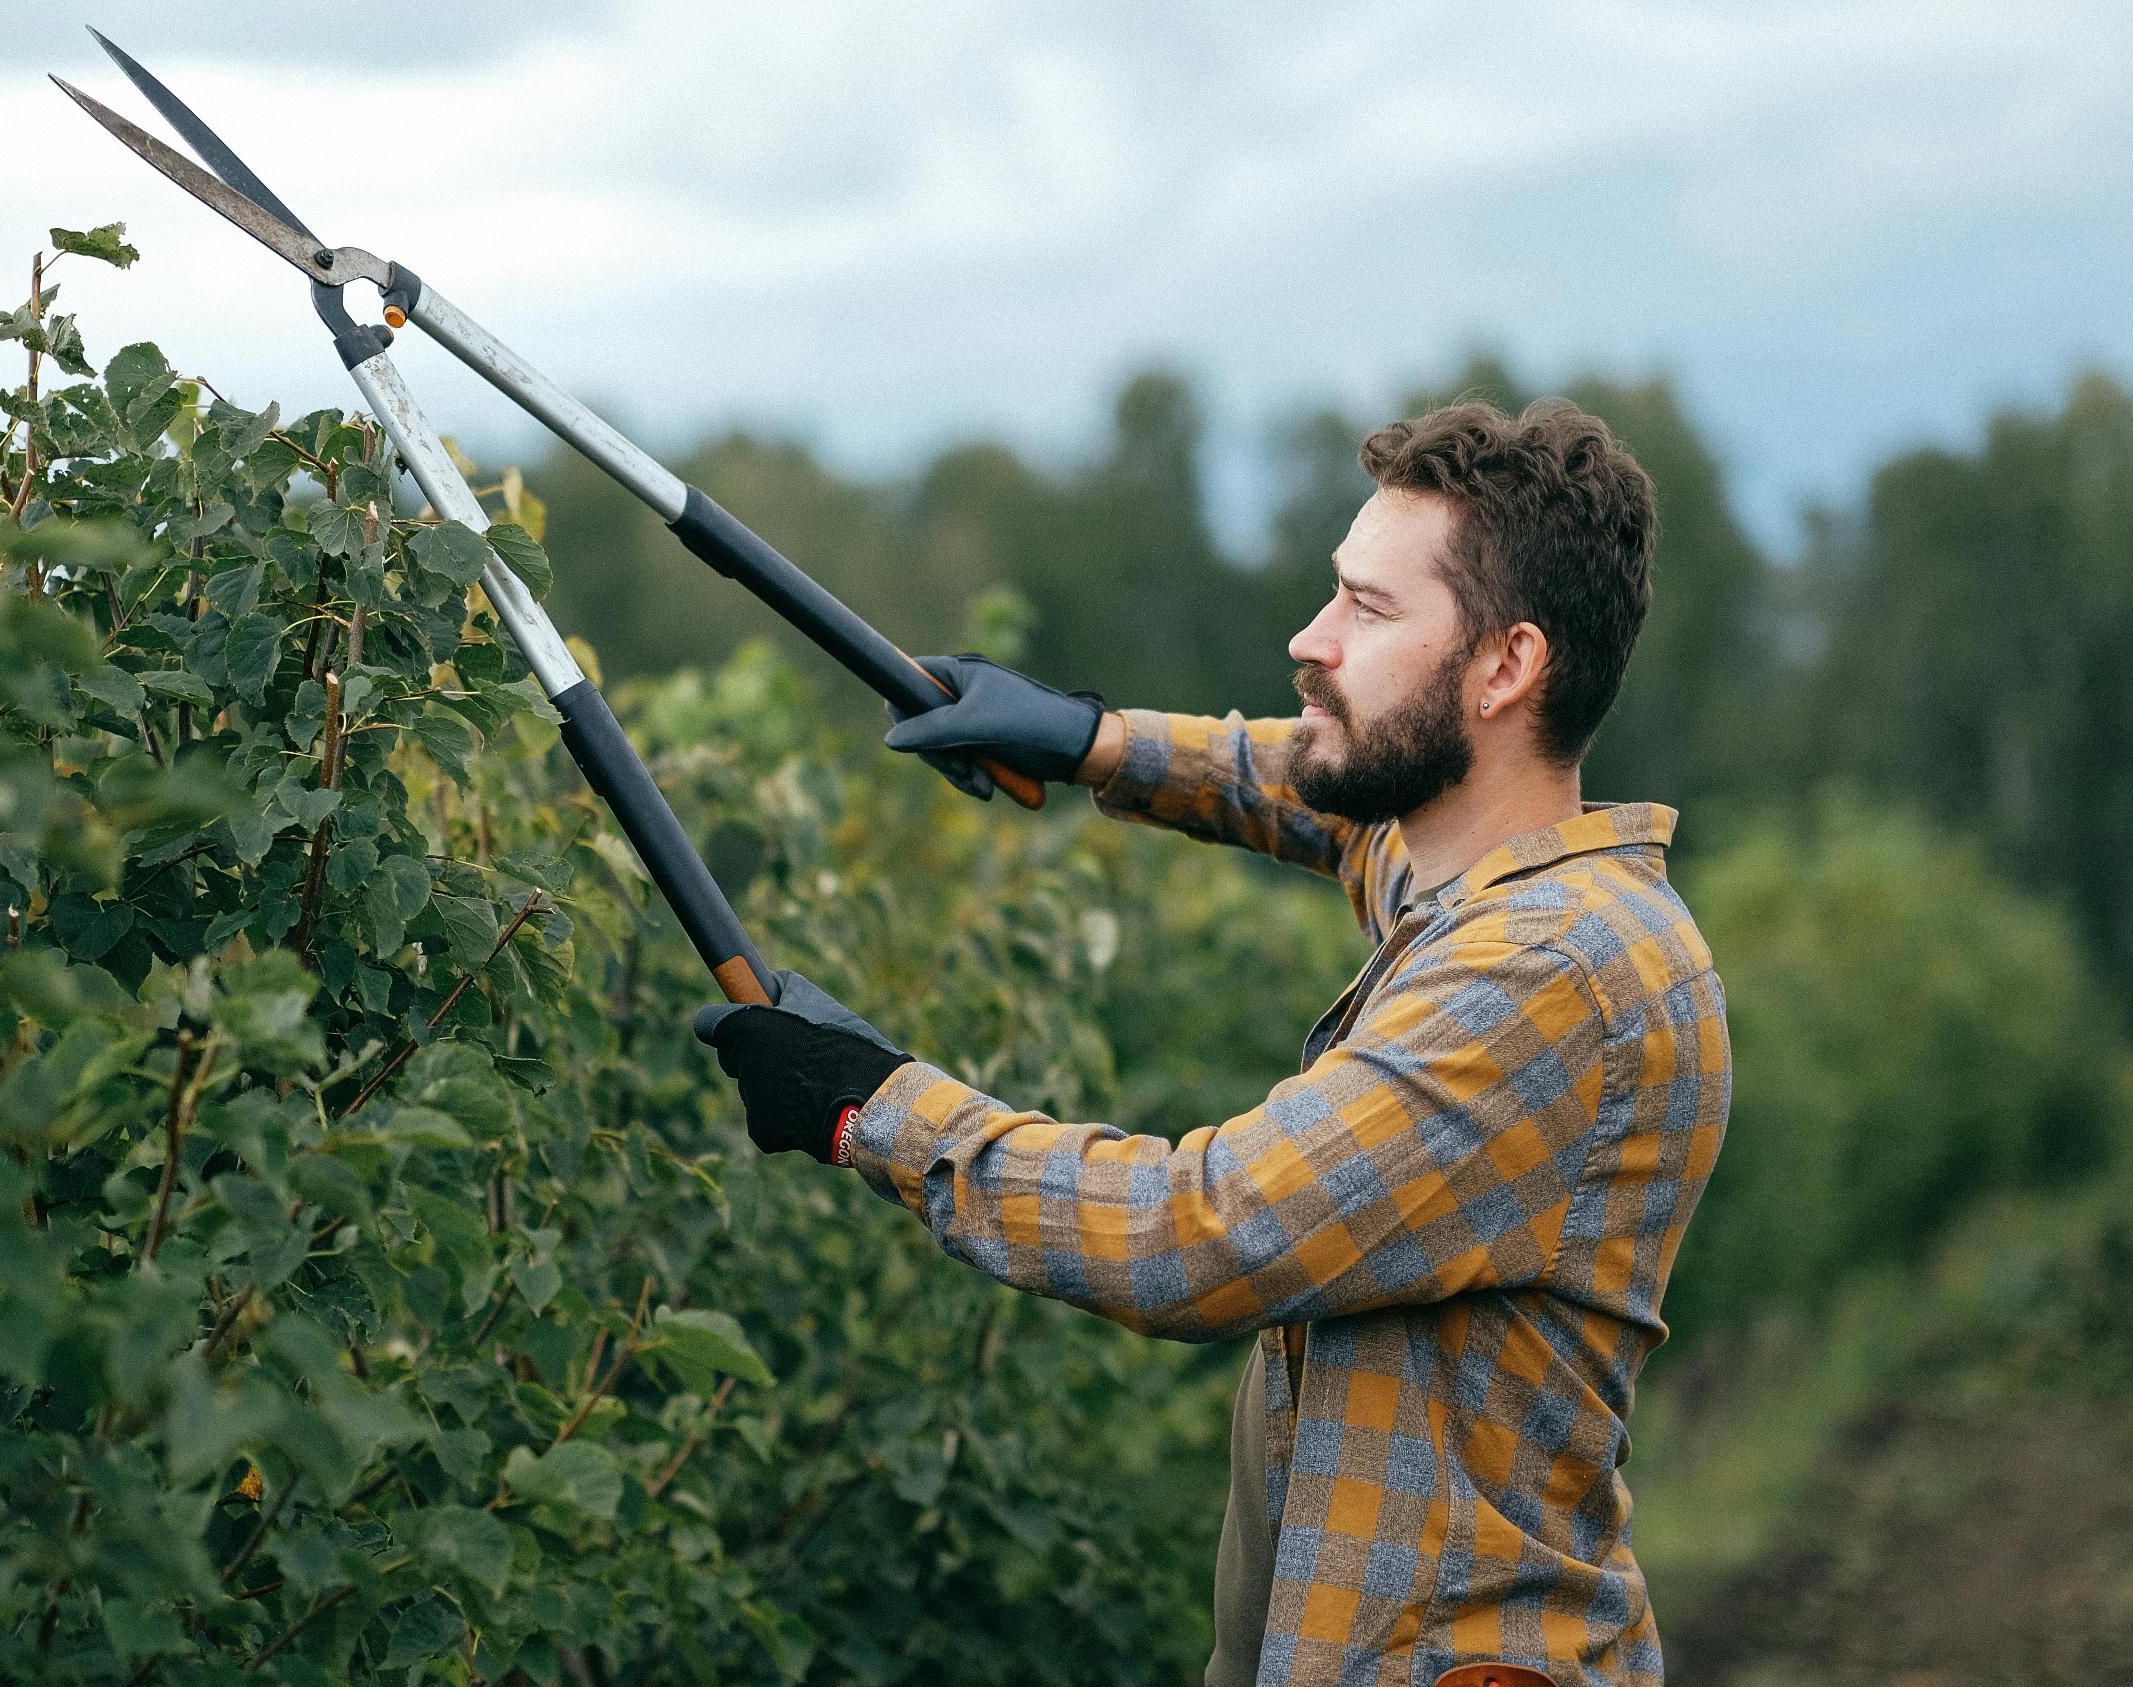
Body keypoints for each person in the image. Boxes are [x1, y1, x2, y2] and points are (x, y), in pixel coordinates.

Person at [693, 399, 1730, 1687]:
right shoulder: (1472, 869)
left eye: (1369, 610)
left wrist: (877, 1107)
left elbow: (1210, 1231)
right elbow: (1318, 799)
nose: (1311, 640)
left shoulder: (1544, 980)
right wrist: (1094, 742)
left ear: (1506, 667)